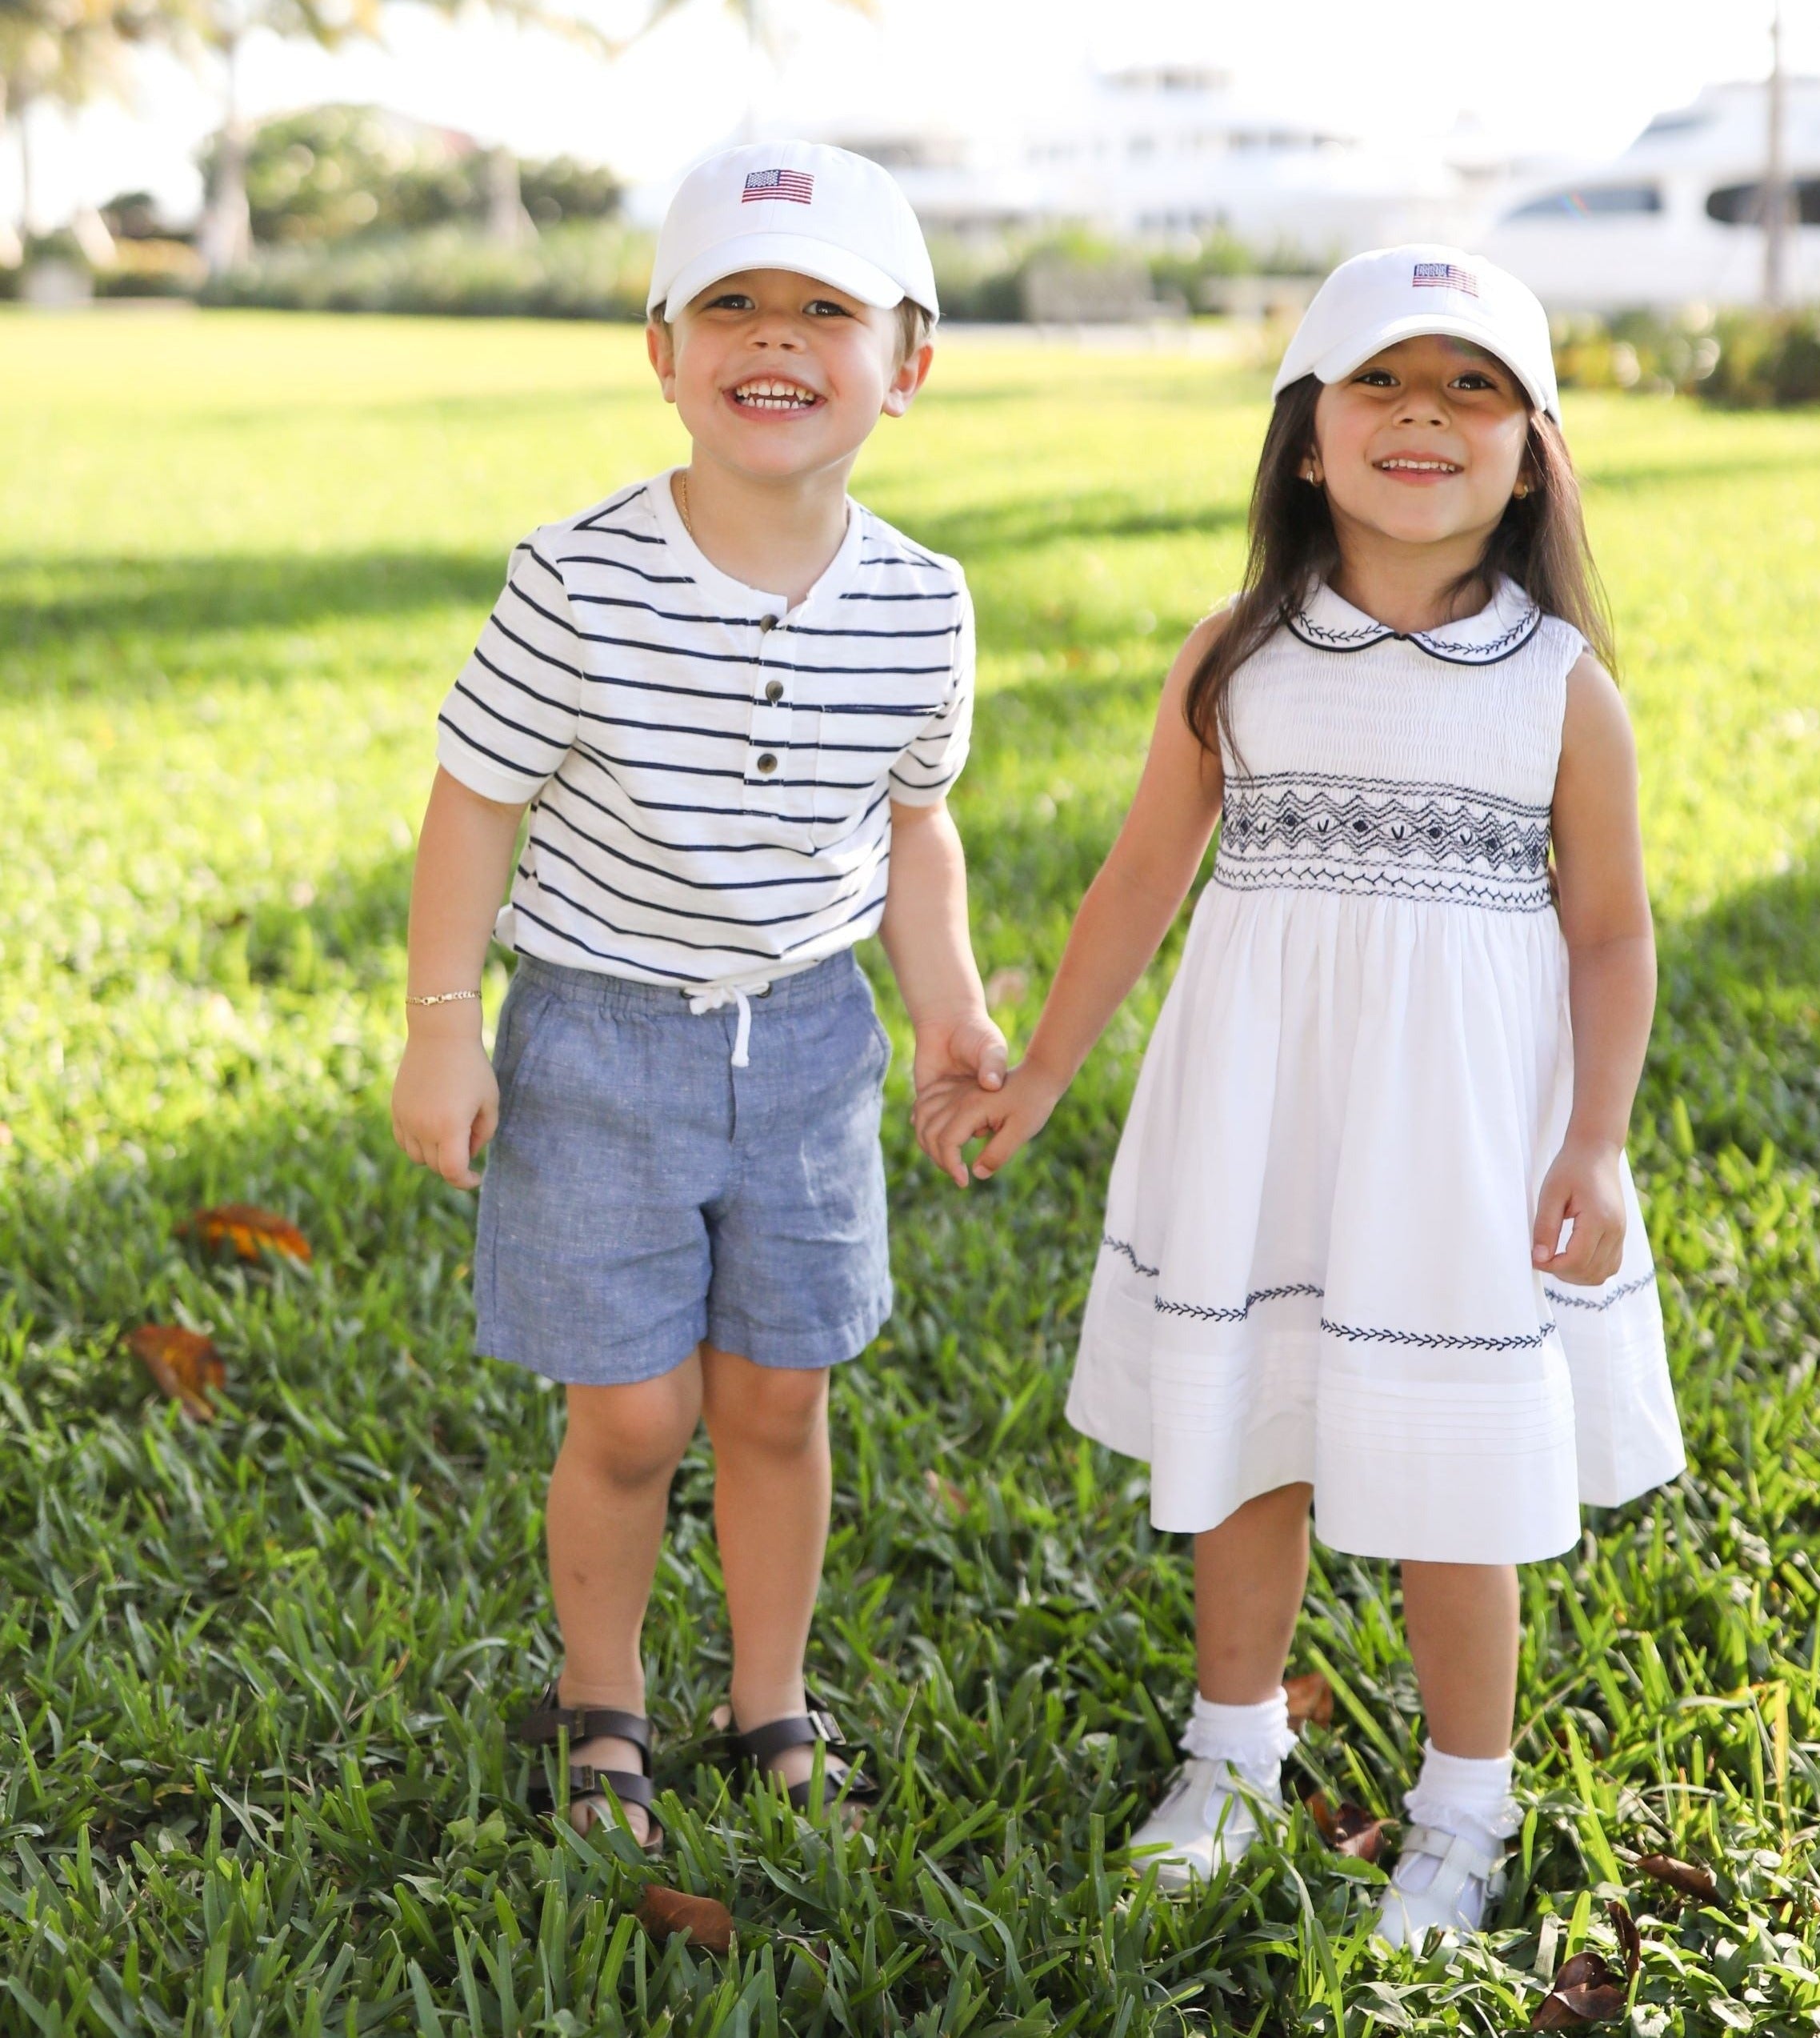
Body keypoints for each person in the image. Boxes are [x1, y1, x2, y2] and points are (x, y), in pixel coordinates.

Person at [918, 246, 1685, 1938]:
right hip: (1258, 1113)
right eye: (1380, 384)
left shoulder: (1560, 688)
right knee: (1248, 1428)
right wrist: (1042, 1066)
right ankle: (1232, 1747)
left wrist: (1596, 1137)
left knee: (1453, 1470)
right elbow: (1133, 883)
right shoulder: (1234, 655)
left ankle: (1463, 1803)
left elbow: (1613, 932)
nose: (1424, 414)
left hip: (1456, 1142)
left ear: (1532, 450)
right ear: (1303, 441)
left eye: (1470, 387)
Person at [390, 141, 1005, 1846]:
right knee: (635, 1407)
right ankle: (605, 1701)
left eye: (826, 308)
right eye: (729, 302)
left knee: (777, 1394)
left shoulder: (921, 602)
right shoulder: (573, 575)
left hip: (808, 1044)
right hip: (600, 1033)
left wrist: (945, 998)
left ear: (909, 362)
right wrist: (442, 1026)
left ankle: (766, 1696)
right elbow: (474, 798)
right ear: (661, 349)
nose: (775, 339)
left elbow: (913, 823)